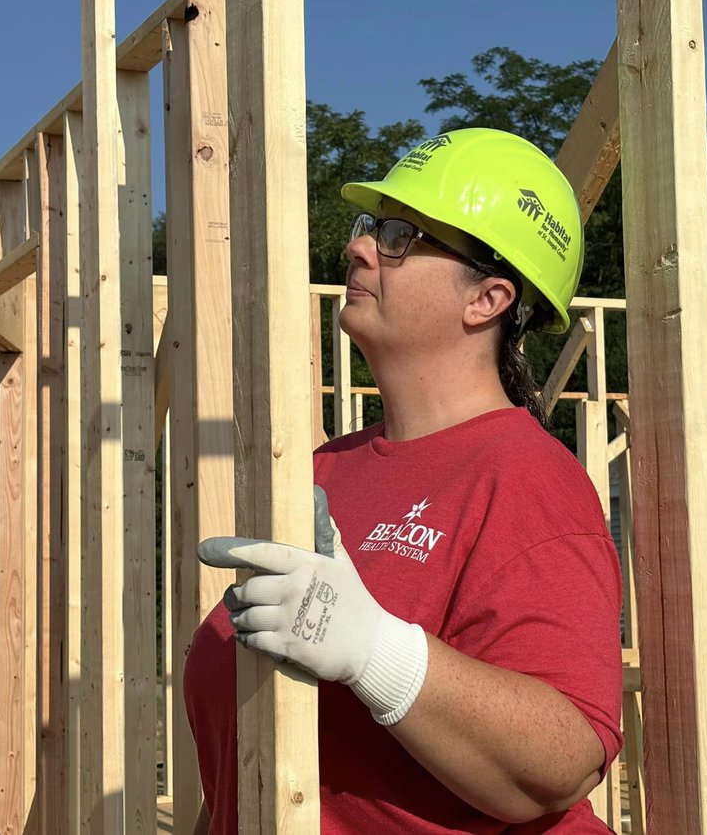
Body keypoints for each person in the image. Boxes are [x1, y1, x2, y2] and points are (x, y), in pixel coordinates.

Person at [184, 128, 624, 833]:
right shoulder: (322, 473)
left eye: (400, 236)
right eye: (370, 227)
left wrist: (374, 651)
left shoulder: (527, 480)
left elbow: (565, 758)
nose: (360, 247)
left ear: (488, 298)